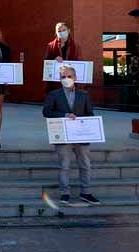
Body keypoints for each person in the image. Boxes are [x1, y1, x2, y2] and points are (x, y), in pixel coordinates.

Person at [42, 65, 100, 206]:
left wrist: (83, 123)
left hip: (81, 135)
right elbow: (46, 112)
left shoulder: (84, 95)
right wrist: (65, 115)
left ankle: (86, 192)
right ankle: (65, 193)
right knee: (64, 166)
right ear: (59, 79)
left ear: (75, 78)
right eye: (63, 77)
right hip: (63, 135)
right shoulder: (54, 95)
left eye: (69, 76)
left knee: (85, 165)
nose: (66, 79)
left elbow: (90, 114)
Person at [44, 22, 82, 94]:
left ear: (69, 30)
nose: (61, 32)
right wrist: (54, 61)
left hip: (70, 82)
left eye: (63, 30)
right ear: (56, 33)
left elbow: (79, 63)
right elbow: (46, 65)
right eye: (59, 31)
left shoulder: (76, 46)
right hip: (55, 84)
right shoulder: (50, 46)